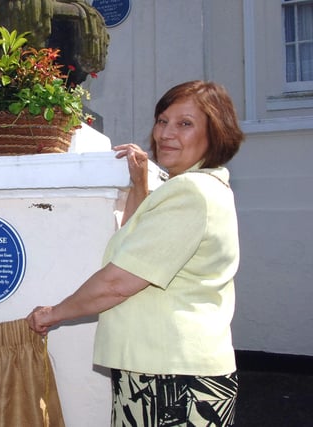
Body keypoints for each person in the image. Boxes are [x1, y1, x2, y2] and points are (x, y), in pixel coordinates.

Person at [27, 80, 244, 426]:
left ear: (215, 133)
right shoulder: (196, 188)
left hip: (172, 377)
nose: (165, 134)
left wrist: (54, 313)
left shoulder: (190, 193)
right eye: (162, 121)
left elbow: (119, 280)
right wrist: (139, 184)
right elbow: (134, 243)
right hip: (164, 371)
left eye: (185, 124)